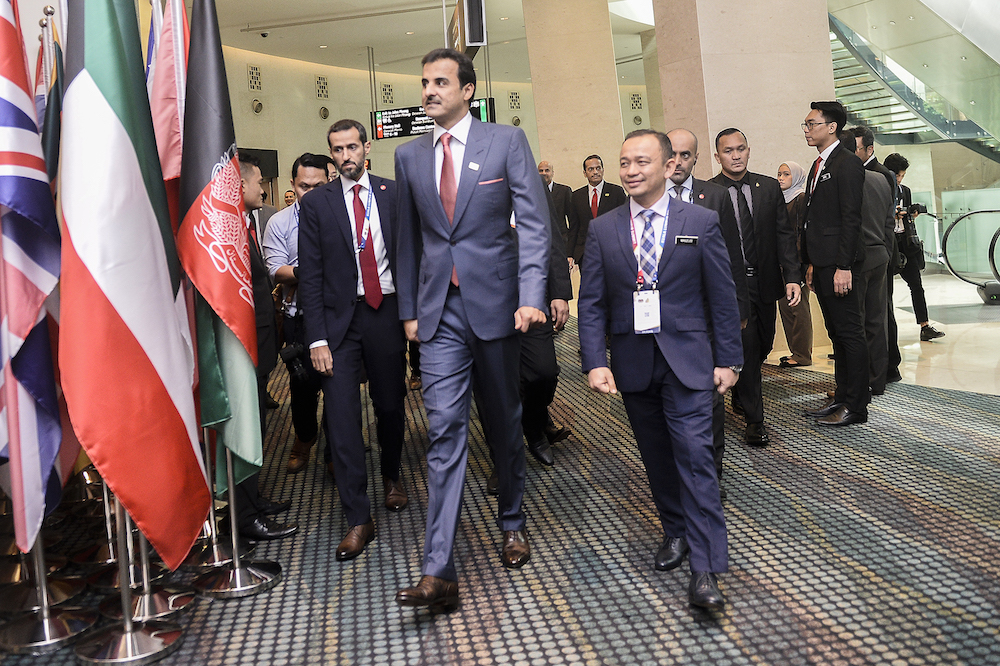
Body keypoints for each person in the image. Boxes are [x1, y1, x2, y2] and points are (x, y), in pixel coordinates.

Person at [393, 48, 550, 611]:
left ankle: (512, 518)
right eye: (424, 82)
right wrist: (409, 309)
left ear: (467, 89)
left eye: (440, 82)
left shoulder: (505, 142)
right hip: (439, 313)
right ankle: (439, 568)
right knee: (443, 430)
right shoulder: (408, 156)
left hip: (498, 308)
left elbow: (533, 225)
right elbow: (408, 241)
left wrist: (532, 296)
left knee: (504, 421)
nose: (429, 90)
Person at [579, 129, 742, 610]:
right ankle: (675, 530)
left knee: (696, 458)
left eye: (641, 162)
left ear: (669, 166)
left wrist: (729, 358)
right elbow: (591, 303)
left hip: (690, 361)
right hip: (632, 363)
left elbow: (722, 297)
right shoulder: (603, 228)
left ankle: (706, 568)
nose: (630, 170)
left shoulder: (701, 220)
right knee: (656, 457)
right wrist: (594, 361)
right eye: (624, 161)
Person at [298, 119, 410, 562]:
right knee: (342, 418)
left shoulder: (393, 193)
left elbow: (409, 255)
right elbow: (310, 275)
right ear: (332, 155)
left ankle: (393, 474)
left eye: (352, 147)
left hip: (385, 314)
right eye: (337, 150)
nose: (346, 156)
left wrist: (414, 316)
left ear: (366, 148)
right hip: (338, 324)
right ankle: (358, 518)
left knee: (389, 404)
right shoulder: (318, 205)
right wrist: (316, 339)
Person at [665, 128, 748, 485]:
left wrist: (738, 308)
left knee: (709, 400)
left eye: (687, 155)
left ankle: (711, 474)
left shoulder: (714, 196)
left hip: (707, 318)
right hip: (666, 319)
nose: (679, 161)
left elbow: (732, 259)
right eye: (673, 154)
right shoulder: (645, 198)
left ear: (697, 157)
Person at [710, 129, 801, 445]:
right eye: (728, 151)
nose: (735, 156)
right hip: (732, 286)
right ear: (717, 155)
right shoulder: (709, 193)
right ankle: (755, 420)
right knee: (747, 348)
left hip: (765, 282)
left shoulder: (768, 188)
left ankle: (741, 387)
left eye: (740, 149)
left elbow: (784, 236)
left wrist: (792, 276)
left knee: (763, 344)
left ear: (748, 151)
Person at [232, 153, 297, 541]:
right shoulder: (229, 229)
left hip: (258, 345)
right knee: (244, 426)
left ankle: (253, 501)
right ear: (239, 185)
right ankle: (244, 516)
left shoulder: (249, 223)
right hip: (243, 344)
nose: (262, 188)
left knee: (255, 425)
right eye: (257, 181)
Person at [262, 153, 331, 475]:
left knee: (339, 385)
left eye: (319, 185)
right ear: (293, 184)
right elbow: (276, 269)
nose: (311, 193)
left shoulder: (344, 216)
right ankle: (304, 439)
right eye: (304, 186)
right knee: (302, 386)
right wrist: (313, 270)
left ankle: (335, 449)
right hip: (297, 316)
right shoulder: (280, 222)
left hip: (339, 316)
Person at [801, 101, 869, 426]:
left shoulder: (847, 163)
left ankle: (856, 406)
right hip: (824, 264)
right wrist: (813, 263)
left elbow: (851, 218)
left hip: (841, 266)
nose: (807, 129)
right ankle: (842, 398)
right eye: (805, 124)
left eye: (812, 123)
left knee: (850, 334)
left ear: (832, 127)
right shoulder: (818, 165)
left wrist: (844, 265)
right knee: (837, 335)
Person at [883, 153, 946, 344]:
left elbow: (908, 213)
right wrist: (891, 214)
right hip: (887, 242)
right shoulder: (880, 187)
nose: (900, 179)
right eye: (897, 175)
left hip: (905, 241)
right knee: (886, 290)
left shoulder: (905, 190)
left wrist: (911, 213)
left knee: (916, 285)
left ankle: (924, 326)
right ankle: (885, 331)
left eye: (902, 176)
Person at [776, 161, 813, 367]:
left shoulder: (800, 198)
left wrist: (803, 264)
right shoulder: (780, 199)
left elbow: (802, 232)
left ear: (797, 177)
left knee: (798, 309)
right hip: (782, 263)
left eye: (786, 174)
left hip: (797, 263)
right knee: (786, 308)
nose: (781, 178)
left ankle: (802, 354)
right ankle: (795, 352)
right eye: (779, 174)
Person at [566, 154, 627, 272]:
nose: (595, 172)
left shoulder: (616, 192)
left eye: (598, 168)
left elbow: (624, 222)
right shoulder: (576, 196)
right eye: (591, 169)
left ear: (603, 170)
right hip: (585, 252)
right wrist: (570, 254)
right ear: (585, 173)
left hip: (612, 250)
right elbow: (574, 227)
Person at [538, 160, 572, 246]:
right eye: (541, 171)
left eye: (547, 170)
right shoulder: (532, 193)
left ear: (553, 173)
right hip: (539, 241)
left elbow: (572, 219)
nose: (544, 173)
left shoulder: (564, 191)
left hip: (561, 240)